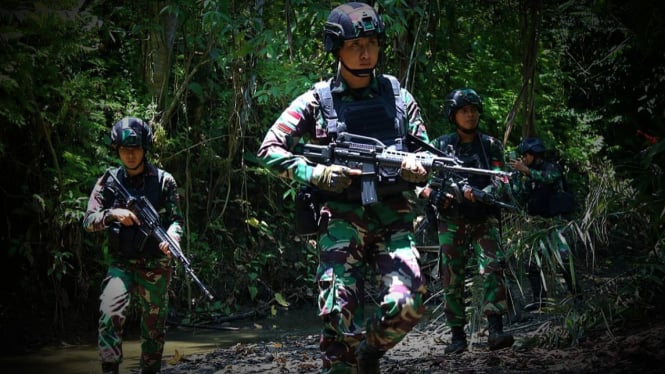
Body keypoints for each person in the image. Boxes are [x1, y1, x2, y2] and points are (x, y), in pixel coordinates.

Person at [256, 3, 430, 373]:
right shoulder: (316, 101)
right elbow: (269, 150)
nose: (365, 52)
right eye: (355, 45)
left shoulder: (400, 99)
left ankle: (370, 349)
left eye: (371, 43)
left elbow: (425, 154)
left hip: (393, 216)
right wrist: (314, 173)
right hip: (341, 218)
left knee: (409, 304)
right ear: (336, 48)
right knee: (337, 313)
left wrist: (419, 170)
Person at [83, 117, 184, 374]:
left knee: (154, 329)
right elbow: (89, 220)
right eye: (124, 150)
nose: (129, 155)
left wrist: (173, 239)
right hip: (121, 263)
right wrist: (114, 214)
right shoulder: (108, 181)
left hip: (155, 265)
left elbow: (176, 220)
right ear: (117, 149)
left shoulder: (164, 181)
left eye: (135, 149)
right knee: (110, 312)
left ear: (145, 149)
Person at [417, 88, 514, 353]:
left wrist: (484, 194)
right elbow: (419, 181)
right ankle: (457, 336)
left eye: (473, 110)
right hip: (452, 219)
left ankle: (495, 329)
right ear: (454, 114)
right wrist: (435, 195)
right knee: (452, 277)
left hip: (484, 217)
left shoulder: (491, 144)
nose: (470, 115)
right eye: (464, 110)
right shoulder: (439, 145)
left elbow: (500, 178)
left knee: (493, 268)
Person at [510, 137, 578, 310]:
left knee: (564, 258)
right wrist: (517, 176)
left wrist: (526, 171)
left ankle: (576, 294)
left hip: (556, 222)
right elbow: (520, 196)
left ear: (533, 154)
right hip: (538, 223)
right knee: (532, 260)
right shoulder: (528, 173)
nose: (523, 159)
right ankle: (540, 299)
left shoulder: (551, 168)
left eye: (525, 156)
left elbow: (548, 178)